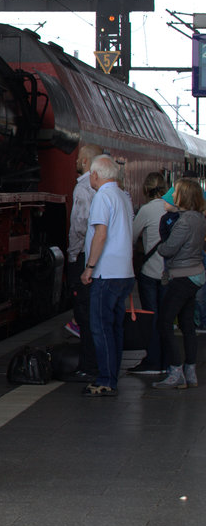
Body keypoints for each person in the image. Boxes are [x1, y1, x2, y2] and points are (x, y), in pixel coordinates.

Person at [79, 154, 134, 397]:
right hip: (124, 272)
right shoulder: (123, 195)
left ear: (95, 175)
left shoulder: (103, 196)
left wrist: (89, 267)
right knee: (114, 328)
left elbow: (100, 234)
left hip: (106, 273)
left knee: (100, 328)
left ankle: (106, 380)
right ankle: (111, 376)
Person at [152, 178, 206, 390]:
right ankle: (190, 371)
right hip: (195, 274)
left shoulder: (184, 222)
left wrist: (160, 247)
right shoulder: (199, 218)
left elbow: (168, 249)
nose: (173, 195)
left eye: (176, 192)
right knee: (187, 324)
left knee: (164, 322)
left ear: (184, 196)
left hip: (183, 276)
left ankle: (176, 372)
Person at [65, 143, 102, 374]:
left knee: (83, 312)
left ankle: (89, 365)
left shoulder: (83, 187)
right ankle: (96, 362)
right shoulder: (107, 189)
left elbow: (80, 226)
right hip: (95, 257)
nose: (77, 160)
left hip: (82, 256)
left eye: (79, 157)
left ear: (86, 161)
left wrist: (72, 255)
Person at [129, 172, 168, 375]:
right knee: (166, 317)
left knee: (151, 317)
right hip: (168, 273)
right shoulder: (171, 208)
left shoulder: (146, 210)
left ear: (146, 189)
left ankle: (153, 360)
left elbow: (132, 236)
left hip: (150, 272)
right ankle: (167, 360)